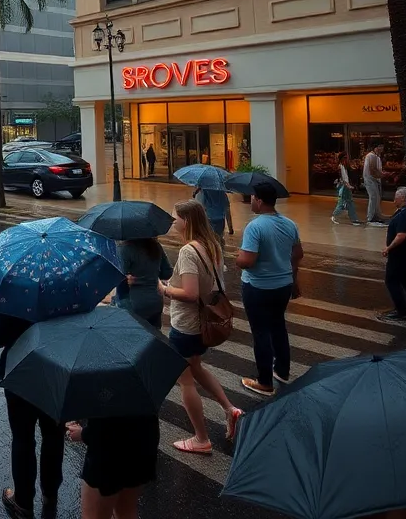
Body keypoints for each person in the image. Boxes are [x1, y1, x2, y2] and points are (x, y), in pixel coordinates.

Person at [158, 199, 243, 454]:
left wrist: (165, 288)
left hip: (187, 325)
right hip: (202, 323)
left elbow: (190, 293)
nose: (173, 223)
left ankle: (201, 438)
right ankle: (231, 409)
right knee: (196, 367)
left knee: (185, 381)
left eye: (176, 218)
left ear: (188, 221)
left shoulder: (188, 251)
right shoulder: (212, 245)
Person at [0, 311, 64, 518]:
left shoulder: (14, 283)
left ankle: (23, 502)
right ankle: (50, 493)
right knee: (53, 432)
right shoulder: (67, 283)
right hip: (56, 366)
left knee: (23, 437)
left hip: (20, 368)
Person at [236, 181, 304, 396]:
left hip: (258, 287)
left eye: (253, 198)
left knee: (261, 333)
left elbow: (248, 260)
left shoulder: (255, 226)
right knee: (278, 326)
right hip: (282, 285)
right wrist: (294, 279)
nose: (251, 201)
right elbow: (298, 254)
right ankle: (282, 371)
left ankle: (264, 382)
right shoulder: (289, 223)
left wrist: (238, 259)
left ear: (259, 200)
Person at [65, 415, 159, 519]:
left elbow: (104, 427)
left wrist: (83, 434)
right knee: (126, 511)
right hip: (142, 446)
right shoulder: (143, 399)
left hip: (107, 457)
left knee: (94, 515)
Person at [113, 237, 172, 329]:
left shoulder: (124, 249)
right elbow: (167, 273)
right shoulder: (155, 246)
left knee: (130, 340)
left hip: (132, 303)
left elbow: (118, 278)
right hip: (155, 301)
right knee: (154, 339)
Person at [381, 186, 406, 321]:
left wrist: (388, 248)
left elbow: (401, 235)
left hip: (400, 254)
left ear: (403, 198)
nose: (394, 200)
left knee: (391, 280)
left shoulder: (404, 214)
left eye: (396, 197)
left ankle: (402, 310)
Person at [331, 152, 362, 226]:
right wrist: (348, 186)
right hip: (343, 186)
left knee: (350, 202)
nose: (346, 159)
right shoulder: (340, 167)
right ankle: (334, 215)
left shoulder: (345, 166)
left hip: (346, 186)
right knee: (342, 202)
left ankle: (354, 219)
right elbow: (343, 179)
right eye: (345, 158)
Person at [363, 143, 388, 226]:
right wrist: (383, 175)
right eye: (380, 146)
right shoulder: (371, 156)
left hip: (375, 180)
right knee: (373, 197)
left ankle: (376, 215)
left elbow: (376, 170)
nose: (381, 148)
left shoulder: (377, 156)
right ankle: (370, 217)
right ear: (375, 147)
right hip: (371, 180)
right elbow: (372, 170)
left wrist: (381, 174)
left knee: (377, 198)